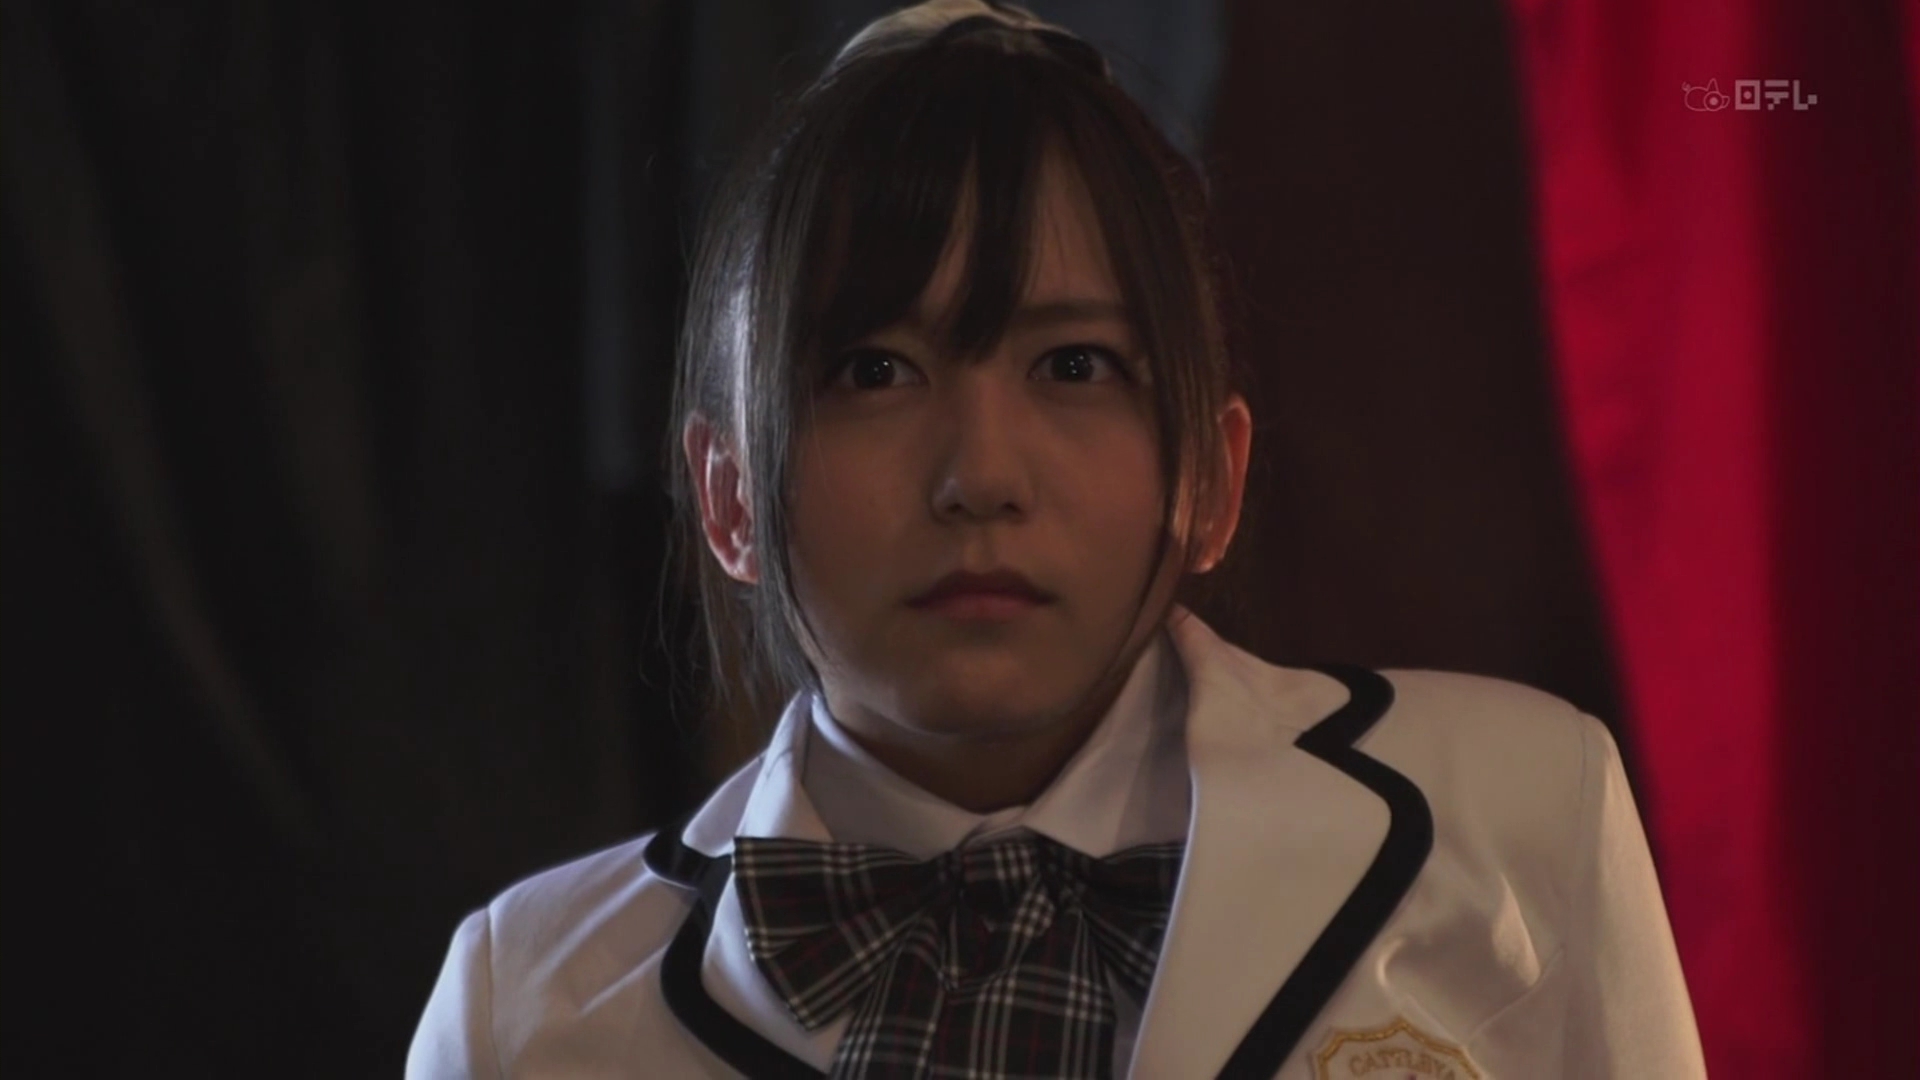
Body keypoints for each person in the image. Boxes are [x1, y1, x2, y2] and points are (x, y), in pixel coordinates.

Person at [408, 2, 1706, 1076]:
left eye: (1075, 365)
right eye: (872, 371)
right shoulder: (530, 1008)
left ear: (1211, 474)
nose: (981, 477)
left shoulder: (1521, 817)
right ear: (730, 498)